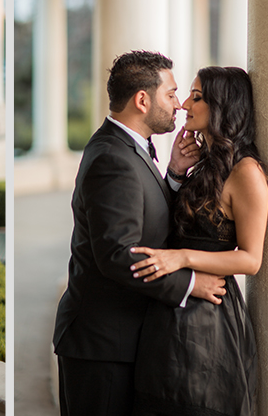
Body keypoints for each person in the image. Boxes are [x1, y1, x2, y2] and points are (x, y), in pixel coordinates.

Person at [53, 50, 228, 416]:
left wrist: (175, 176)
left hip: (117, 340)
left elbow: (142, 217)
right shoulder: (112, 159)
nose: (179, 105)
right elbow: (118, 254)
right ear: (142, 100)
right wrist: (189, 284)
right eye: (171, 94)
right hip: (101, 347)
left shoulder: (126, 148)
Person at [129, 66, 268, 416]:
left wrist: (181, 259)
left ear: (222, 106)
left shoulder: (246, 172)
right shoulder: (205, 164)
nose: (184, 105)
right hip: (169, 311)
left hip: (209, 321)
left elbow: (251, 260)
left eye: (197, 96)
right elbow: (169, 224)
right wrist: (175, 170)